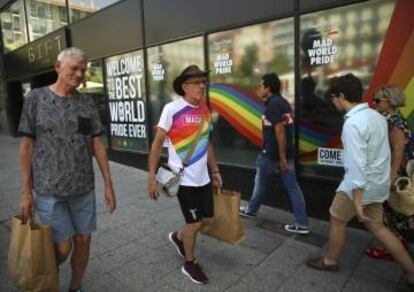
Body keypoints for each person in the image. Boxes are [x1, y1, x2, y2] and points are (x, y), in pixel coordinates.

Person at [19, 47, 116, 292]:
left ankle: (75, 286)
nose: (79, 74)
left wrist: (108, 184)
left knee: (84, 241)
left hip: (83, 188)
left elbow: (97, 144)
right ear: (57, 67)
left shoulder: (87, 103)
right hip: (49, 190)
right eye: (74, 68)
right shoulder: (36, 99)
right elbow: (27, 147)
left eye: (83, 70)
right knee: (62, 248)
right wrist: (26, 192)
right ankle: (44, 270)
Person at [306, 74, 414, 289]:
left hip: (358, 186)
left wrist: (357, 198)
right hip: (377, 183)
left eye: (334, 98)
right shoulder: (377, 117)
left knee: (337, 218)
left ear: (342, 96)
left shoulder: (353, 124)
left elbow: (357, 164)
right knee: (379, 228)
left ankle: (330, 261)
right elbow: (384, 153)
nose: (333, 103)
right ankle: (411, 272)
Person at [148, 65, 222, 285]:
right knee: (194, 224)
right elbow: (156, 144)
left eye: (203, 82)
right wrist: (151, 177)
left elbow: (206, 143)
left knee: (207, 219)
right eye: (196, 82)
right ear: (184, 86)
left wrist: (215, 169)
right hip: (184, 179)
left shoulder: (205, 110)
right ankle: (189, 263)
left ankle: (178, 237)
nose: (202, 86)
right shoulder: (171, 109)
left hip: (204, 178)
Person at [239, 73, 309, 235]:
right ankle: (302, 223)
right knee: (292, 188)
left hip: (271, 155)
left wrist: (282, 158)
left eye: (262, 86)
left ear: (268, 88)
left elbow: (280, 131)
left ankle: (251, 210)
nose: (259, 89)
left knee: (261, 183)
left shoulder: (273, 106)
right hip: (285, 154)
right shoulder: (283, 103)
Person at [365, 85, 414, 260]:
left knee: (395, 208)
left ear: (390, 101)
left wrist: (392, 175)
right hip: (390, 168)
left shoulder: (394, 119)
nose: (373, 103)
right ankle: (395, 244)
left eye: (377, 100)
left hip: (396, 170)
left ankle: (393, 245)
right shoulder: (386, 117)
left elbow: (399, 149)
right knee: (391, 209)